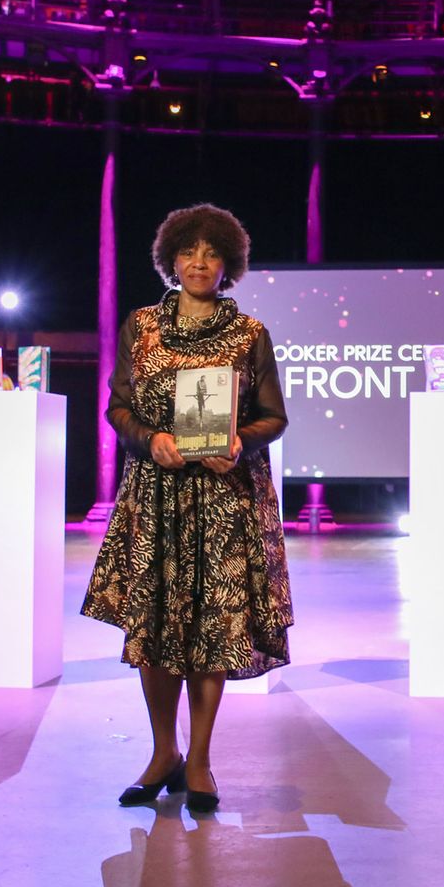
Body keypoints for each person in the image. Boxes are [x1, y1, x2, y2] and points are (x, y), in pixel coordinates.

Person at [82, 203, 292, 814]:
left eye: (211, 253)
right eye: (188, 252)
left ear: (228, 264)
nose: (199, 262)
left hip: (225, 500)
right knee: (154, 631)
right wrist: (151, 440)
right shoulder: (141, 326)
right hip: (157, 498)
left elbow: (273, 417)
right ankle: (161, 752)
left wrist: (241, 441)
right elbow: (118, 407)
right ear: (171, 259)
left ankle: (198, 758)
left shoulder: (249, 334)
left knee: (213, 631)